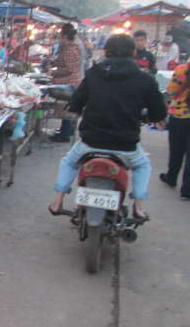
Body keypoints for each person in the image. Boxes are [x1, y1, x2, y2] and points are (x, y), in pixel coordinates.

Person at [48, 34, 167, 220]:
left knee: (69, 161)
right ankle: (138, 206)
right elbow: (159, 113)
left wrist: (77, 108)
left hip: (90, 142)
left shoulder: (94, 74)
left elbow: (77, 102)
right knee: (142, 165)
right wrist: (147, 117)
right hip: (126, 145)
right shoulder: (145, 79)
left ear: (106, 51)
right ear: (134, 52)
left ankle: (58, 200)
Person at [159, 59, 190, 200]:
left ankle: (171, 177)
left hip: (179, 115)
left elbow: (171, 91)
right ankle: (187, 190)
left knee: (176, 150)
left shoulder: (181, 69)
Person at [49, 23, 83, 142]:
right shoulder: (71, 48)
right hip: (71, 82)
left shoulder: (69, 50)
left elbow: (69, 69)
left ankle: (65, 135)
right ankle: (65, 131)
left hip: (69, 83)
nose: (59, 39)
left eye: (60, 36)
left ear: (64, 36)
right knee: (67, 108)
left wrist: (53, 74)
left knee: (67, 109)